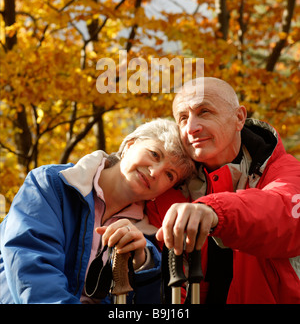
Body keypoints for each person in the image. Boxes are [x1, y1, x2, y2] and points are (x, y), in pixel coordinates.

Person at [0, 118, 194, 304]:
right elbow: (30, 267)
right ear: (129, 145)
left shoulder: (151, 236)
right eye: (154, 154)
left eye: (169, 175)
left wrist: (142, 265)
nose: (154, 172)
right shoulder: (51, 184)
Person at [147, 77, 300, 304]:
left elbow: (283, 213)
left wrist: (215, 211)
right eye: (182, 118)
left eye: (205, 112)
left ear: (239, 118)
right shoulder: (167, 183)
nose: (192, 127)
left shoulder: (283, 170)